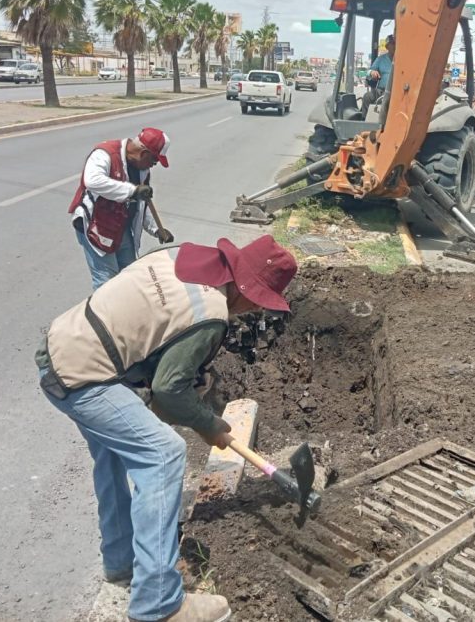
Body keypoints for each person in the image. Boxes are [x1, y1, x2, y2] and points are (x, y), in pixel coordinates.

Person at [36, 234, 298, 622]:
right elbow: (168, 391)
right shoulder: (212, 314)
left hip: (61, 348)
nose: (254, 309)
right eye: (259, 300)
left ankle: (121, 562)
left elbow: (152, 333)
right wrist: (208, 424)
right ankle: (158, 604)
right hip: (85, 375)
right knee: (163, 454)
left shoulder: (184, 257)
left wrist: (190, 401)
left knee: (114, 455)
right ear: (246, 290)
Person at [69, 128, 175, 290]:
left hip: (119, 227)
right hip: (96, 225)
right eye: (154, 161)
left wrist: (156, 230)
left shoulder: (142, 171)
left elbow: (141, 205)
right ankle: (104, 306)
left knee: (130, 275)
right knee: (107, 282)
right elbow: (93, 181)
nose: (153, 166)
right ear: (143, 153)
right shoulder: (105, 154)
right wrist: (132, 191)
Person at [360, 34, 395, 113]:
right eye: (392, 43)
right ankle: (365, 119)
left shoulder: (402, 59)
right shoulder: (381, 59)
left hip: (397, 92)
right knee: (367, 97)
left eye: (396, 43)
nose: (394, 46)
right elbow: (368, 72)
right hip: (382, 91)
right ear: (387, 46)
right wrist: (372, 72)